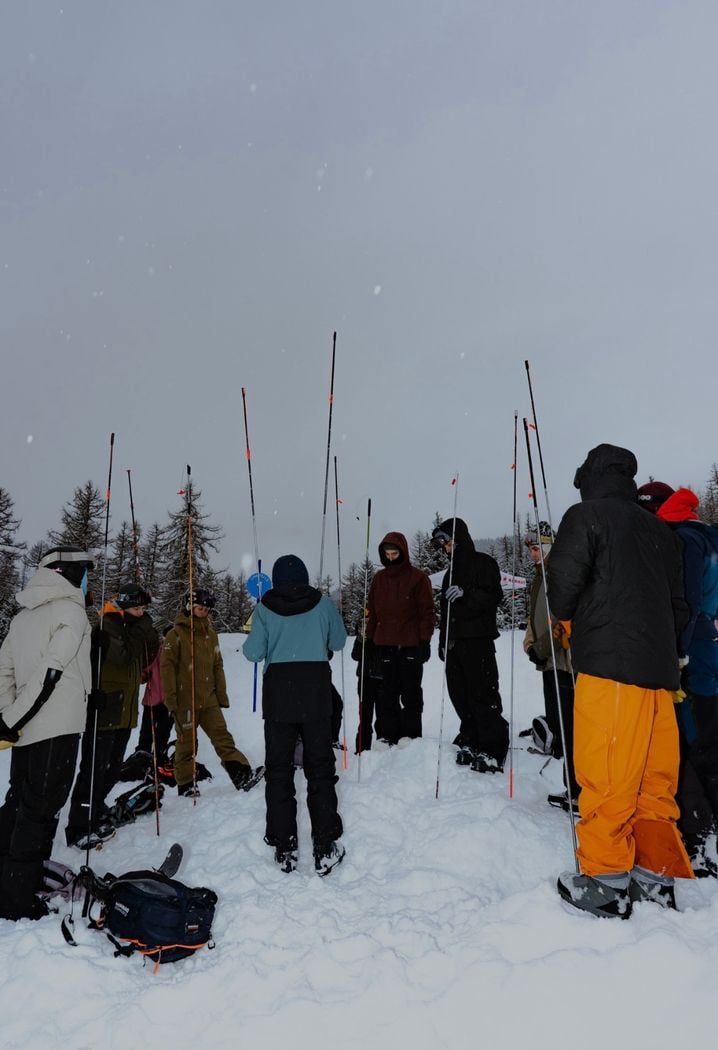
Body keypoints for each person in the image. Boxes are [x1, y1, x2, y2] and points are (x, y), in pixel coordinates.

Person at [548, 445, 693, 919]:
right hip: (660, 675)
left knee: (608, 774)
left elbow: (561, 590)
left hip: (611, 668)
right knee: (654, 779)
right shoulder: (659, 531)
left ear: (589, 478)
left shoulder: (586, 517)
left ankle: (606, 882)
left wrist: (568, 617)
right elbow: (678, 606)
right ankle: (654, 878)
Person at [0, 546, 93, 920]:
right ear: (64, 572)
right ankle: (17, 898)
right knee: (39, 810)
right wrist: (14, 717)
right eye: (84, 571)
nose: (87, 579)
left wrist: (10, 716)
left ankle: (11, 879)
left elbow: (4, 672)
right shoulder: (71, 612)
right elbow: (51, 670)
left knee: (19, 803)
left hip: (27, 728)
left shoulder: (23, 618)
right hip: (57, 728)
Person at [243, 555, 347, 875]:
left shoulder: (264, 608)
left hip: (279, 697)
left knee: (278, 770)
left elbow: (252, 653)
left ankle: (284, 844)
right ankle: (324, 844)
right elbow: (339, 641)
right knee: (320, 768)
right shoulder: (323, 604)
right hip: (315, 692)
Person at [651, 485, 718, 877]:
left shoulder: (686, 540)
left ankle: (700, 833)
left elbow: (687, 599)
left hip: (692, 652)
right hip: (705, 644)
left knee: (691, 741)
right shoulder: (705, 535)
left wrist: (677, 650)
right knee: (706, 735)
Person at [65, 582, 159, 848]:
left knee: (113, 767)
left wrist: (146, 630)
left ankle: (96, 809)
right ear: (126, 606)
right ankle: (79, 825)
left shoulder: (133, 627)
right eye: (138, 608)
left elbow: (146, 656)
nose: (142, 612)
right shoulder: (109, 624)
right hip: (105, 707)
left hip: (125, 708)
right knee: (93, 768)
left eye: (144, 608)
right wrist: (141, 629)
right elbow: (122, 656)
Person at [161, 588, 260, 796]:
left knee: (222, 737)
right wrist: (171, 699)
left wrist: (220, 695)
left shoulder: (211, 635)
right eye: (199, 608)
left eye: (206, 609)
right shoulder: (175, 635)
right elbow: (167, 669)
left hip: (209, 699)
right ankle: (186, 785)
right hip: (185, 699)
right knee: (187, 743)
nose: (203, 612)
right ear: (190, 607)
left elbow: (217, 665)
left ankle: (241, 774)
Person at [431, 518, 508, 773]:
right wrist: (443, 642)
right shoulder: (449, 574)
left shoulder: (484, 563)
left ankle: (492, 746)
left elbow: (494, 596)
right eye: (442, 544)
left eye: (448, 541)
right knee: (460, 694)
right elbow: (444, 611)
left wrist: (467, 595)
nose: (446, 547)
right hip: (455, 644)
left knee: (483, 693)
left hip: (478, 641)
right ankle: (471, 737)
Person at [522, 521, 578, 813]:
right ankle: (574, 786)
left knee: (572, 728)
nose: (533, 553)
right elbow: (535, 618)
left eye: (537, 548)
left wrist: (542, 648)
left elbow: (560, 618)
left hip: (565, 663)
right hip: (549, 663)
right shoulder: (538, 577)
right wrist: (530, 646)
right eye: (531, 549)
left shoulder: (558, 573)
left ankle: (579, 789)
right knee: (560, 725)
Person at [365, 532, 434, 745]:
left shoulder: (418, 578)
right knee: (386, 694)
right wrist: (368, 639)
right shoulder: (379, 578)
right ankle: (387, 735)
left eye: (395, 553)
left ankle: (411, 736)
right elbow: (372, 612)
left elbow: (427, 612)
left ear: (403, 552)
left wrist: (424, 641)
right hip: (383, 644)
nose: (391, 557)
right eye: (388, 554)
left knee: (411, 693)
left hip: (410, 646)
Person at [351, 615, 384, 753]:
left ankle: (383, 747)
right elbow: (355, 655)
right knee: (365, 717)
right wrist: (361, 638)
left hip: (383, 677)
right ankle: (362, 749)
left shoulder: (386, 624)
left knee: (383, 715)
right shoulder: (366, 625)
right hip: (365, 678)